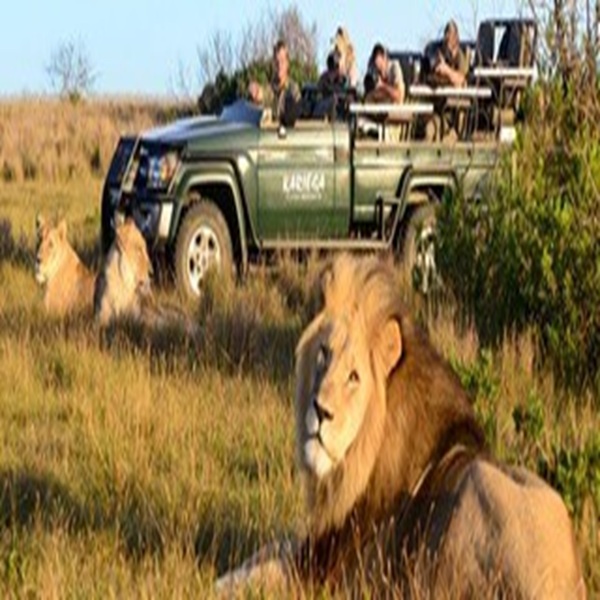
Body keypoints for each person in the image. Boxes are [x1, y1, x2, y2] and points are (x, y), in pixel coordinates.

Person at [248, 40, 301, 124]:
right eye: (277, 61)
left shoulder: (293, 89)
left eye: (282, 61)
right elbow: (262, 94)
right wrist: (256, 92)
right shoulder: (270, 88)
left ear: (287, 63)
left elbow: (295, 112)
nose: (279, 65)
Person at [433, 20, 468, 87]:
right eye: (448, 35)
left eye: (453, 36)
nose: (450, 38)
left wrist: (447, 70)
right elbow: (437, 74)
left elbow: (461, 81)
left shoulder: (461, 54)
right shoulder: (437, 51)